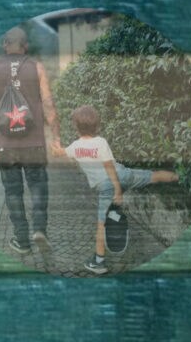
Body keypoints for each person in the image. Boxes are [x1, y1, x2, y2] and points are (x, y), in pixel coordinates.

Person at [64, 102, 177, 275]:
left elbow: (105, 168)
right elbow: (110, 165)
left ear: (75, 126)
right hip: (124, 174)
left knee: (102, 225)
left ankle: (99, 263)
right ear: (97, 125)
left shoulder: (74, 147)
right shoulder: (101, 142)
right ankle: (180, 177)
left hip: (109, 185)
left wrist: (117, 190)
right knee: (153, 176)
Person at [0, 27, 57, 264]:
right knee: (38, 187)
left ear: (5, 44)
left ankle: (22, 241)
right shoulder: (37, 67)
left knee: (13, 192)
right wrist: (56, 137)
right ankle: (39, 230)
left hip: (5, 145)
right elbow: (47, 103)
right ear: (25, 46)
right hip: (34, 142)